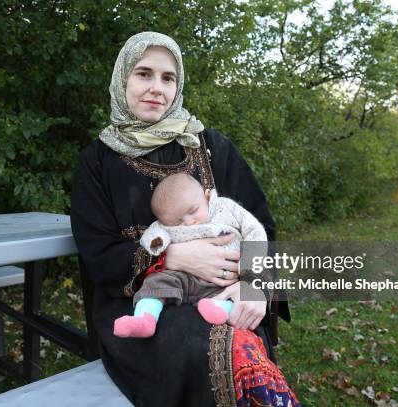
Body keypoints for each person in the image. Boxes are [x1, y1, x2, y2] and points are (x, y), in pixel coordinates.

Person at [71, 31, 300, 407]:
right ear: (122, 79)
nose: (156, 88)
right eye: (143, 74)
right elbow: (97, 253)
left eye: (168, 77)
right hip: (143, 308)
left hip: (226, 294)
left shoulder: (212, 148)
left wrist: (256, 286)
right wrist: (171, 258)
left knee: (241, 345)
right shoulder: (97, 161)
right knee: (214, 350)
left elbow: (261, 226)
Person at [114, 173, 268, 338]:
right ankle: (145, 319)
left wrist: (250, 269)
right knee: (155, 283)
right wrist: (159, 245)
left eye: (193, 211)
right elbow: (153, 233)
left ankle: (219, 310)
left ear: (207, 196)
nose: (188, 222)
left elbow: (254, 230)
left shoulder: (225, 208)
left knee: (233, 299)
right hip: (181, 276)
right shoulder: (166, 223)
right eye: (177, 222)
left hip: (224, 281)